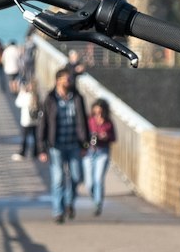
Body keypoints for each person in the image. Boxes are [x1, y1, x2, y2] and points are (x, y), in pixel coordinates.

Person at [37, 66, 88, 222]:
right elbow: (43, 123)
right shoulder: (50, 99)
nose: (70, 81)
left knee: (77, 177)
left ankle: (68, 203)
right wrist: (41, 148)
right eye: (67, 78)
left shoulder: (77, 98)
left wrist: (85, 143)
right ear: (58, 81)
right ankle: (58, 211)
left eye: (70, 79)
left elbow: (83, 121)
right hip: (56, 145)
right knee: (58, 179)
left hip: (74, 144)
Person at [86, 97, 116, 216]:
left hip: (103, 152)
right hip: (89, 152)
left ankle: (98, 203)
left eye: (100, 112)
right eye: (96, 112)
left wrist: (105, 136)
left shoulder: (108, 122)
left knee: (98, 179)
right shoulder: (89, 120)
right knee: (89, 183)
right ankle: (95, 197)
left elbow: (114, 138)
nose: (98, 114)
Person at [12, 79, 40, 160]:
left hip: (26, 121)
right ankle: (36, 152)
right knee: (35, 137)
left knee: (25, 137)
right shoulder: (36, 95)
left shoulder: (26, 95)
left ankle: (23, 152)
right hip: (35, 120)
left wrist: (21, 93)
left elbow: (18, 103)